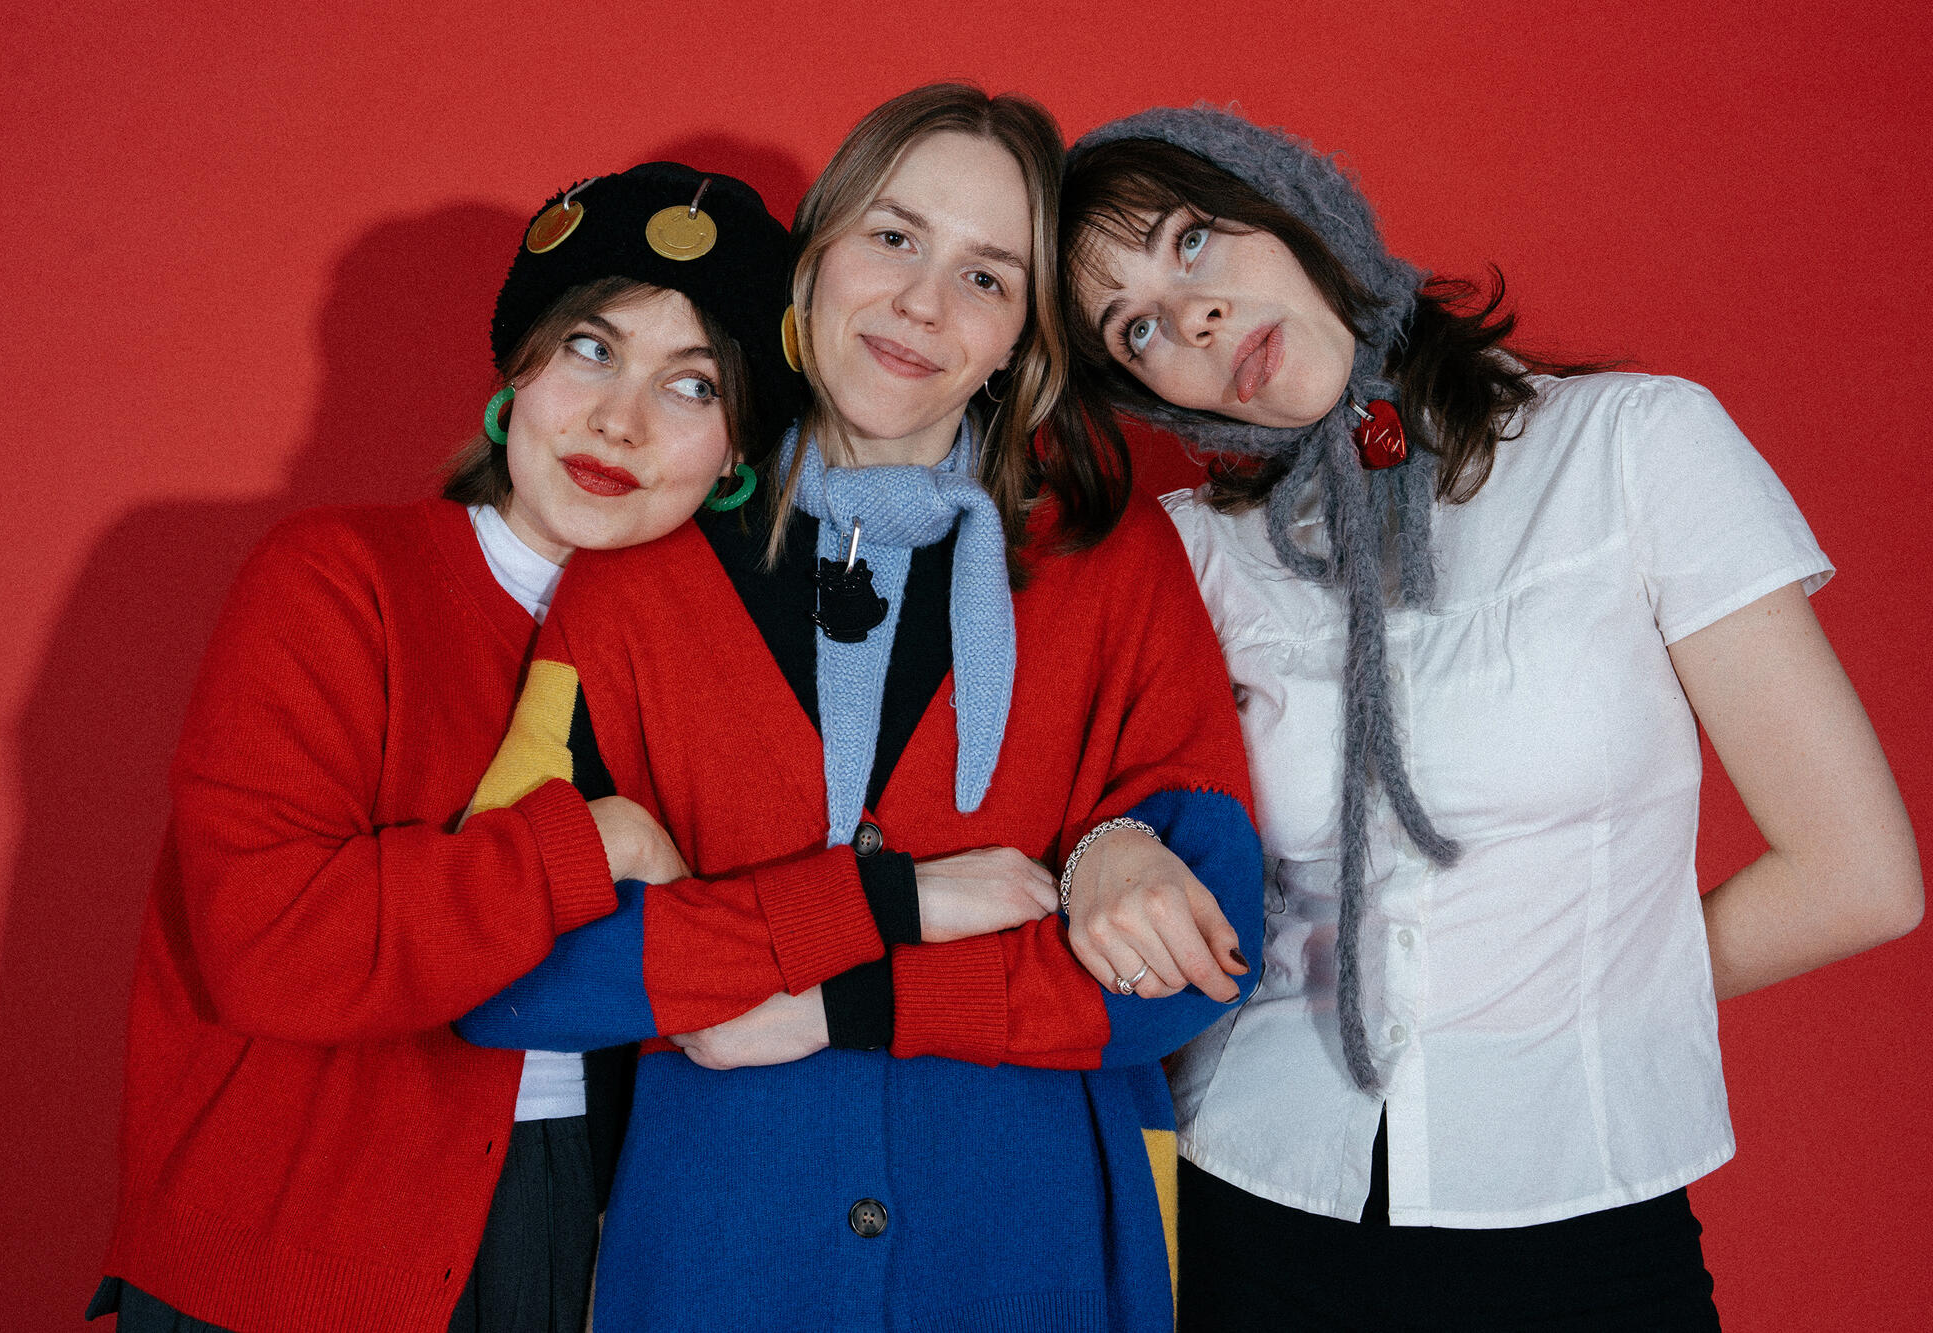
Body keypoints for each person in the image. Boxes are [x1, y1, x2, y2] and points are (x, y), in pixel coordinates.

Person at [1056, 106, 1924, 1331]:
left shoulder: (1632, 445)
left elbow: (1857, 876)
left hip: (1578, 1214)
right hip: (1253, 1207)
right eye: (1133, 326)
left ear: (1298, 211)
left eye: (1192, 239)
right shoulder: (1190, 559)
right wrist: (1105, 848)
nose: (1188, 319)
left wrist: (1563, 1009)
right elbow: (1066, 816)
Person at [456, 83, 1263, 1332]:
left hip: (1036, 1256)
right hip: (722, 1259)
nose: (923, 305)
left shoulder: (1110, 565)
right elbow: (497, 963)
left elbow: (1203, 958)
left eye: (988, 278)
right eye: (892, 238)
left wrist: (834, 1004)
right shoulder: (636, 571)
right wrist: (869, 916)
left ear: (1023, 343)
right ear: (814, 256)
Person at [89, 162, 808, 1333]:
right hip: (290, 1237)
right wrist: (597, 841)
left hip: (563, 1218)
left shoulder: (717, 661)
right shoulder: (336, 579)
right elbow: (270, 945)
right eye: (590, 349)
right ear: (518, 367)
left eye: (691, 385)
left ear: (735, 453)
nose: (620, 422)